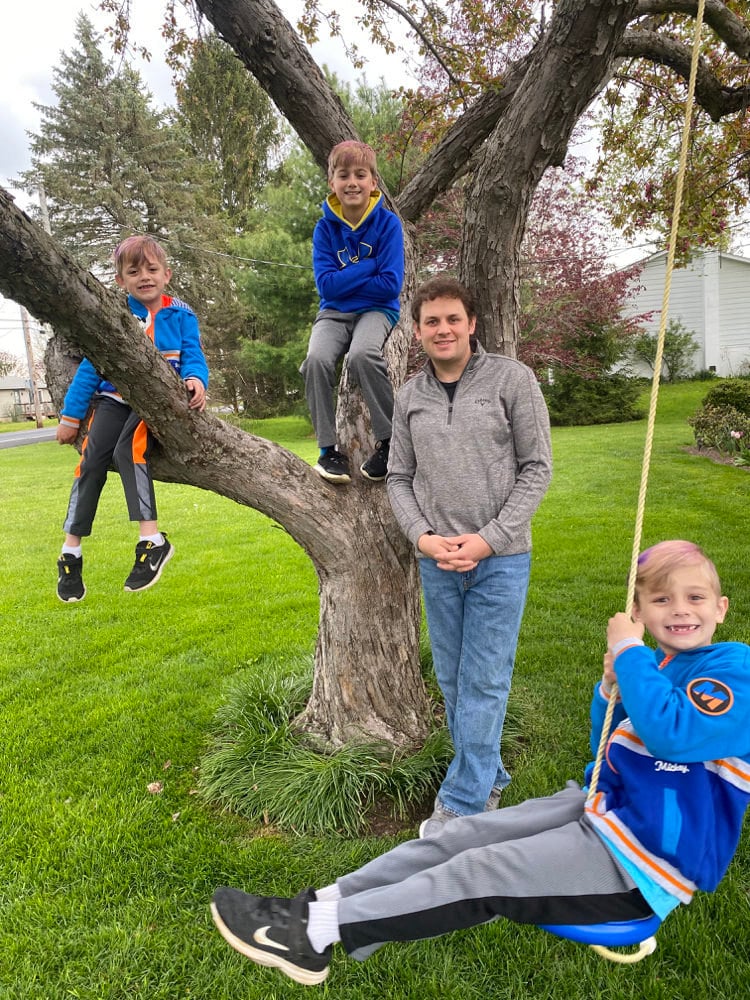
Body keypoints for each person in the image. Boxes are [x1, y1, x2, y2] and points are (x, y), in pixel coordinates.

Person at [210, 540, 750, 986]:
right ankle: (309, 908)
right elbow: (607, 749)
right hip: (602, 810)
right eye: (661, 600)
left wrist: (630, 658)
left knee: (481, 871)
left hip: (645, 864)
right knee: (458, 838)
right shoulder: (652, 669)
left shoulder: (736, 669)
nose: (680, 609)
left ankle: (312, 936)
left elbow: (674, 736)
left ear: (721, 608)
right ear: (640, 612)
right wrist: (612, 685)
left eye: (695, 597)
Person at [387, 276, 552, 834]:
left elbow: (537, 469)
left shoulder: (513, 380)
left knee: (484, 679)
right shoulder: (409, 396)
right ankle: (489, 772)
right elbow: (398, 477)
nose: (443, 329)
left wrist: (489, 538)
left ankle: (462, 803)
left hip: (500, 559)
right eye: (431, 321)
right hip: (437, 560)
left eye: (453, 318)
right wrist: (422, 538)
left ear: (472, 323)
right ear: (417, 330)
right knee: (455, 681)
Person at [55, 234, 208, 602]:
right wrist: (70, 418)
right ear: (121, 280)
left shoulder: (181, 315)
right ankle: (71, 551)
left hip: (153, 401)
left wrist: (196, 379)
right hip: (113, 400)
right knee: (91, 460)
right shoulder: (116, 318)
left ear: (166, 274)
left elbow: (192, 354)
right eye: (133, 271)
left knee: (129, 450)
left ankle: (151, 540)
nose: (144, 277)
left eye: (152, 269)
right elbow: (90, 371)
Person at [300, 140, 404, 484]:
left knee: (361, 355)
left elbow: (390, 285)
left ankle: (390, 444)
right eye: (343, 175)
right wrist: (370, 265)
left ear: (373, 182)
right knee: (315, 360)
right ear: (332, 183)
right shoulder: (324, 229)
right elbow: (326, 288)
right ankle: (328, 452)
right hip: (334, 313)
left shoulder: (388, 225)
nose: (352, 182)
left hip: (377, 310)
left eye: (361, 174)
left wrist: (350, 279)